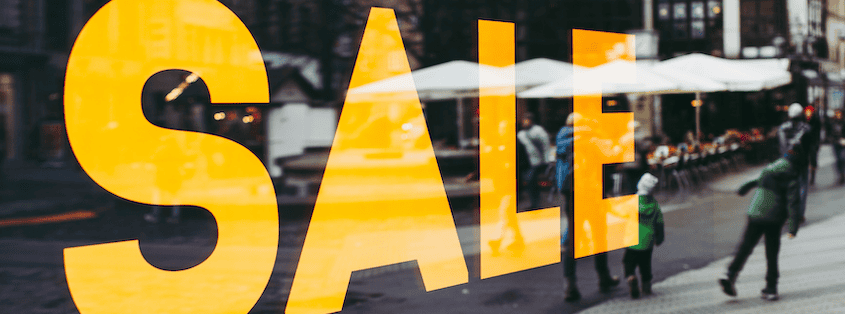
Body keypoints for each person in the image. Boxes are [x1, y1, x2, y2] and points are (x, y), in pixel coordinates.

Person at [718, 129, 807, 301]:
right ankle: (771, 287)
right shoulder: (792, 174)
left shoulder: (772, 167)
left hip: (756, 211)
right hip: (774, 217)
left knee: (746, 246)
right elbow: (793, 202)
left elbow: (756, 180)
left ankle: (730, 274)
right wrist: (793, 227)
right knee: (771, 253)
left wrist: (743, 189)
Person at [556, 112, 620, 302]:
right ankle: (604, 277)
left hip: (571, 194)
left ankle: (570, 286)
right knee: (599, 236)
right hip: (592, 193)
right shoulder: (592, 140)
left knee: (573, 241)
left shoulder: (562, 141)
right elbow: (610, 161)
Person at [624, 173, 664, 299]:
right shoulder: (654, 204)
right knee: (645, 265)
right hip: (648, 241)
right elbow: (659, 222)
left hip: (632, 239)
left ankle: (631, 277)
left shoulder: (632, 202)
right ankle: (646, 286)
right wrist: (659, 238)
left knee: (628, 262)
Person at [777, 103, 810, 218]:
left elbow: (782, 146)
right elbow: (809, 147)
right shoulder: (806, 128)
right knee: (802, 187)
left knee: (787, 187)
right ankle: (799, 213)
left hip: (787, 161)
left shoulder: (782, 128)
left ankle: (789, 212)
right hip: (802, 162)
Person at [517, 113, 551, 209]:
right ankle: (534, 202)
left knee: (531, 181)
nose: (524, 122)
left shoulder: (538, 131)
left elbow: (545, 145)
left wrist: (546, 160)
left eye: (526, 120)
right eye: (523, 121)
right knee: (530, 182)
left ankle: (535, 204)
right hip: (526, 162)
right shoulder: (521, 134)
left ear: (531, 120)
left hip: (536, 161)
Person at [804, 105, 821, 185]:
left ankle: (812, 177)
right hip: (805, 143)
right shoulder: (804, 120)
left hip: (813, 143)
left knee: (813, 160)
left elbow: (817, 133)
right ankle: (806, 176)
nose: (808, 113)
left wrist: (817, 143)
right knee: (805, 160)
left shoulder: (816, 120)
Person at [827, 109, 845, 184]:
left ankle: (842, 173)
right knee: (838, 159)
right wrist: (831, 139)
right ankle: (841, 174)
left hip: (843, 143)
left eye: (839, 114)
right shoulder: (832, 123)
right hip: (835, 142)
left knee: (842, 158)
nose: (838, 115)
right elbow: (829, 132)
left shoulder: (843, 122)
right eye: (837, 114)